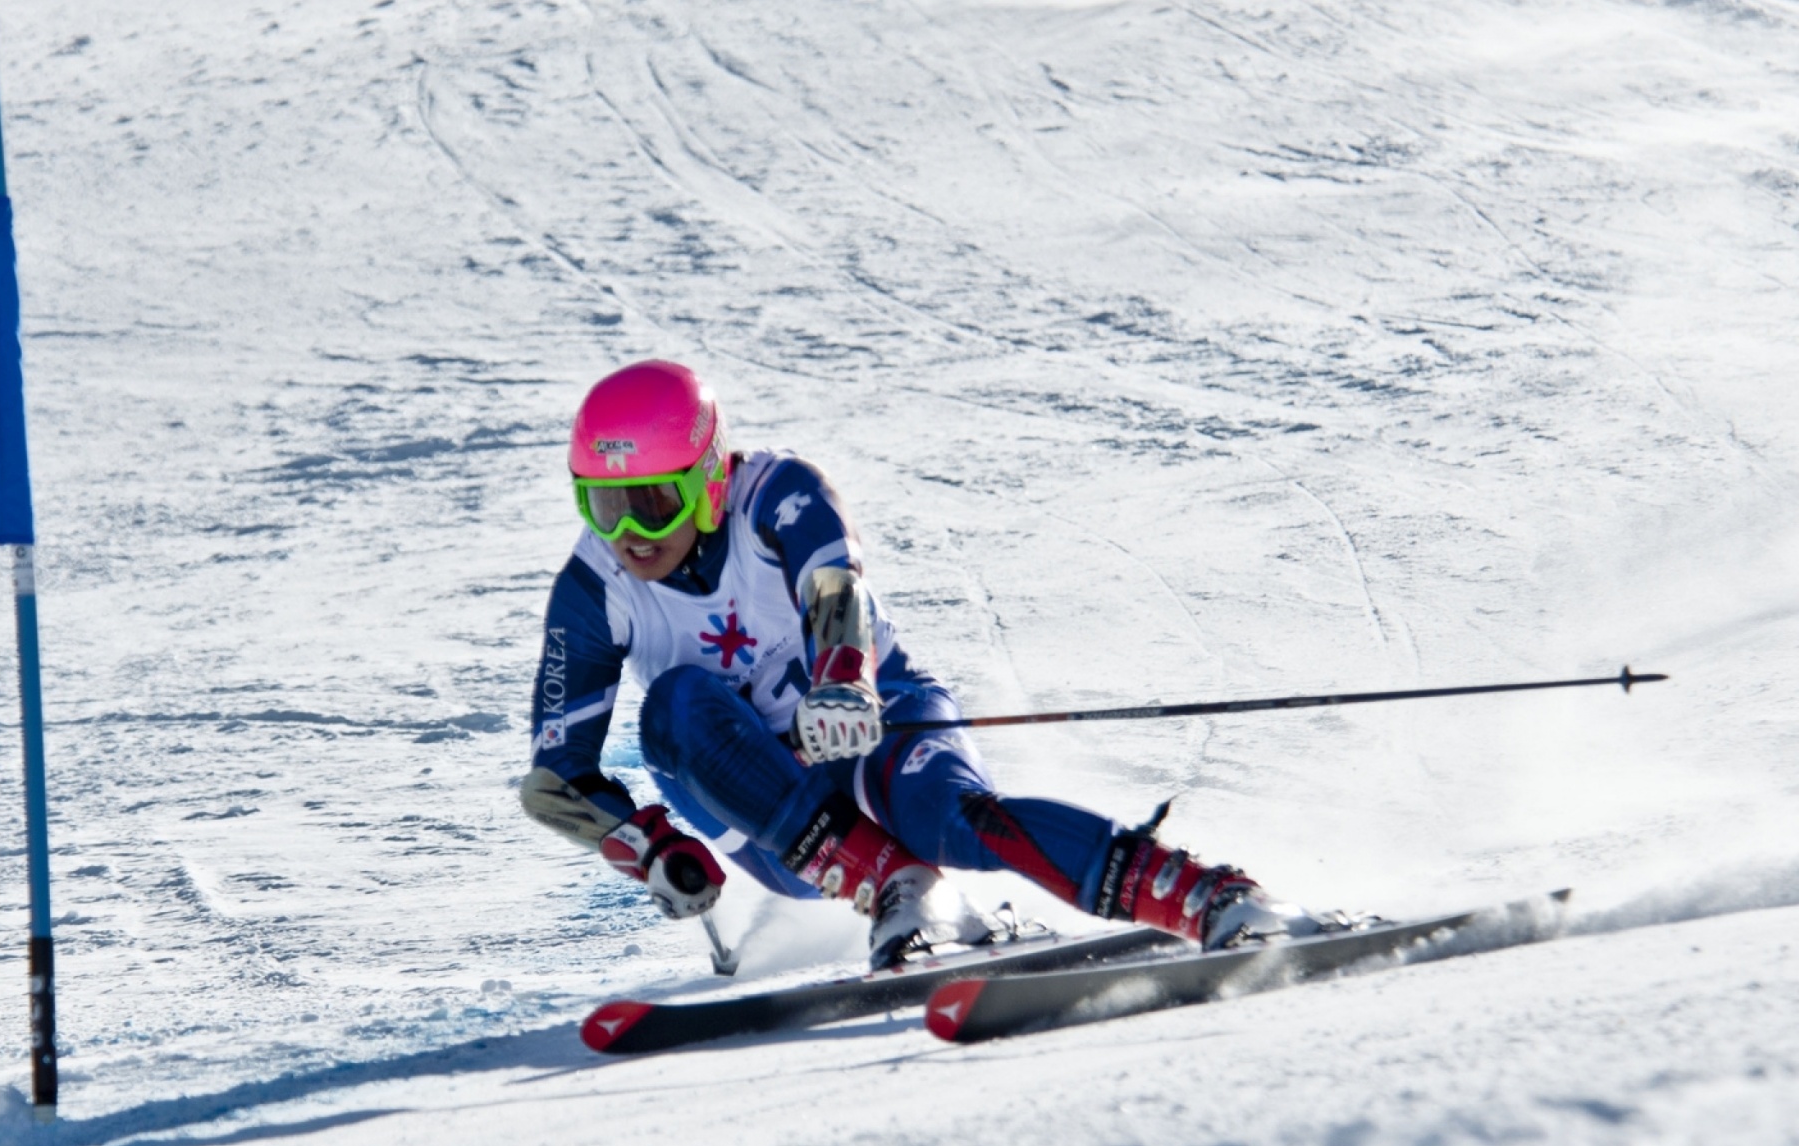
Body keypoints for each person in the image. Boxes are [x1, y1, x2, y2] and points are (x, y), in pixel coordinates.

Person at [520, 359, 1326, 969]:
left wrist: (841, 676)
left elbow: (834, 581)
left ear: (705, 476)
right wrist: (650, 845)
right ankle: (905, 891)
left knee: (949, 814)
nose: (630, 533)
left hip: (873, 723)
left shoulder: (777, 493)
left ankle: (1214, 900)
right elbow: (557, 777)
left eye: (652, 502)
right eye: (603, 503)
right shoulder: (595, 588)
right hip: (775, 816)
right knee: (674, 709)